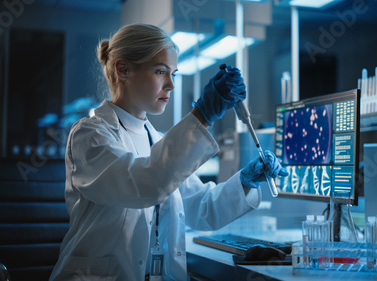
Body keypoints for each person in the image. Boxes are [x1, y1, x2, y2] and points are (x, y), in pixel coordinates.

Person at [49, 23, 288, 281]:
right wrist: (202, 116)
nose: (171, 85)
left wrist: (244, 182)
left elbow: (201, 206)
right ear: (123, 69)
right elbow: (144, 184)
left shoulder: (157, 141)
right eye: (161, 72)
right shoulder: (89, 136)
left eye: (173, 73)